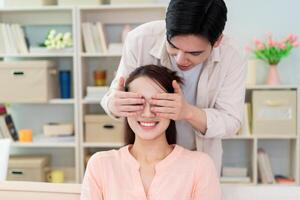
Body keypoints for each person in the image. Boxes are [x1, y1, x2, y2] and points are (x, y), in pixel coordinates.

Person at [101, 0, 246, 173]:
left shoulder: (232, 56)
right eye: (173, 47)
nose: (180, 60)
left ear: (217, 41)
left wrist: (188, 112)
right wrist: (115, 104)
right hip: (145, 160)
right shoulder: (140, 40)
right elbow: (111, 97)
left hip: (197, 160)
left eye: (194, 53)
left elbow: (231, 121)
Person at [82, 65, 221, 200]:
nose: (147, 113)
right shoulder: (100, 165)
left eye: (158, 103)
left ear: (174, 107)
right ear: (124, 106)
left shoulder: (199, 166)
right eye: (137, 103)